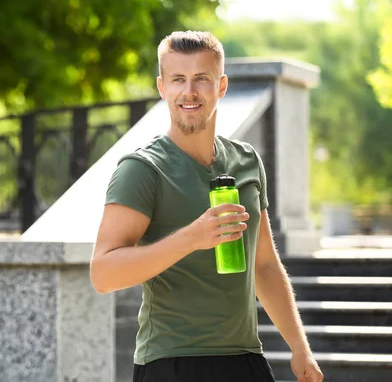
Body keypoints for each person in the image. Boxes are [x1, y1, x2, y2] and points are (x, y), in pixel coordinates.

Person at [90, 31, 324, 382]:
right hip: (171, 363)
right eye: (178, 80)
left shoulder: (246, 161)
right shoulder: (142, 169)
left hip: (245, 359)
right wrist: (191, 238)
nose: (189, 92)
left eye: (202, 79)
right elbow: (103, 273)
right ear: (162, 87)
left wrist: (299, 347)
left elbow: (263, 265)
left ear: (222, 85)